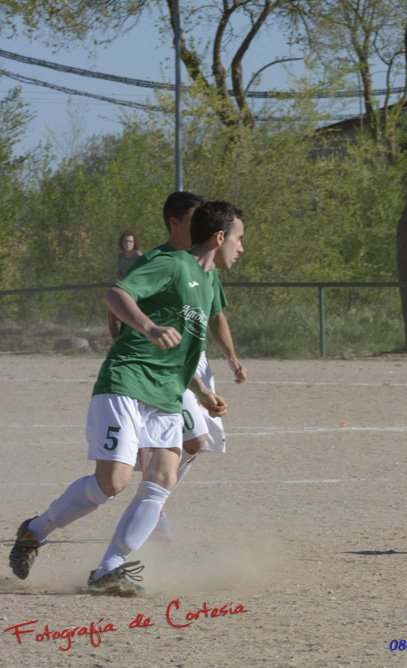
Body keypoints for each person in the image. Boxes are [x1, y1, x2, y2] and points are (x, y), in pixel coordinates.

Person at [8, 201, 246, 595]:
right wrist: (149, 327)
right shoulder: (172, 264)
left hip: (167, 394)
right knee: (113, 483)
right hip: (127, 382)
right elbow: (116, 295)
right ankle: (35, 530)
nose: (242, 248)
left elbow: (185, 350)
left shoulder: (208, 283)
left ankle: (110, 566)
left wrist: (202, 392)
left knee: (163, 478)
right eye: (239, 239)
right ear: (220, 237)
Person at [134, 192, 247, 538]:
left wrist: (230, 356)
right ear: (175, 223)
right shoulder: (159, 261)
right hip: (164, 364)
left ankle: (153, 497)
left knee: (198, 442)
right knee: (192, 439)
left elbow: (216, 314)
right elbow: (122, 301)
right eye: (194, 219)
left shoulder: (206, 268)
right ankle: (152, 501)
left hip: (194, 362)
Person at [108, 231, 144, 339]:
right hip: (122, 288)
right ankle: (116, 341)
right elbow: (119, 273)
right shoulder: (121, 256)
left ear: (134, 243)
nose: (128, 244)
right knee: (112, 314)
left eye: (130, 241)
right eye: (125, 241)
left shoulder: (138, 256)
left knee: (133, 317)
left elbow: (141, 275)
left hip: (135, 290)